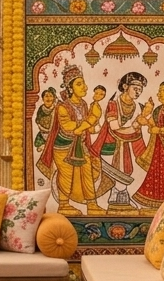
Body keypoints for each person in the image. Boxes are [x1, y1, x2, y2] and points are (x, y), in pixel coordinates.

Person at [35, 66, 112, 215]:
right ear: (70, 88)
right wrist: (92, 118)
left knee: (87, 173)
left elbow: (84, 128)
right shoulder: (62, 107)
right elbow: (72, 128)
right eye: (79, 84)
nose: (84, 87)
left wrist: (94, 124)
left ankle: (92, 205)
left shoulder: (83, 104)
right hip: (63, 147)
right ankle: (63, 205)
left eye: (83, 83)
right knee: (66, 175)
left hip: (80, 146)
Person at [91, 71, 147, 208]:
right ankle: (112, 196)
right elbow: (115, 127)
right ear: (125, 86)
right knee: (110, 174)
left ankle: (121, 196)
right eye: (135, 88)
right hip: (109, 144)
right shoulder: (113, 104)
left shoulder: (139, 107)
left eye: (140, 89)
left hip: (127, 144)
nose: (138, 92)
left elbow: (143, 128)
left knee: (126, 169)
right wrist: (137, 124)